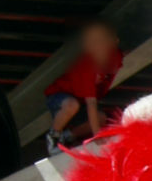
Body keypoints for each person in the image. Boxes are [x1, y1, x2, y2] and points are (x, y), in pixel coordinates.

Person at [45, 19, 123, 156]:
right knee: (71, 105)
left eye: (101, 41)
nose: (97, 47)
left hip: (80, 102)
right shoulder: (87, 66)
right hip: (59, 96)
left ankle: (67, 136)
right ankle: (54, 137)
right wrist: (98, 135)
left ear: (114, 41)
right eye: (92, 42)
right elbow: (91, 102)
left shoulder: (116, 57)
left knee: (101, 118)